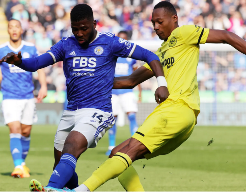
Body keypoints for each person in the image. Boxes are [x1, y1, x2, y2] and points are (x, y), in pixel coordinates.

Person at [57, 1, 246, 192]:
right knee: (117, 154)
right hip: (179, 118)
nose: (156, 27)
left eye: (160, 22)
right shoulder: (161, 53)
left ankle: (80, 190)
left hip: (177, 109)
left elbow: (225, 36)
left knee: (127, 152)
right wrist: (90, 77)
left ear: (174, 19)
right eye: (153, 23)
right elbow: (130, 80)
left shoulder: (184, 33)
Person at [0, 4, 168, 192]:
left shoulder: (110, 42)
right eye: (75, 29)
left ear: (94, 24)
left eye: (84, 28)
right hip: (71, 111)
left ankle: (50, 188)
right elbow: (37, 63)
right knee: (61, 164)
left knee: (71, 146)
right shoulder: (65, 44)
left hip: (97, 110)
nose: (79, 33)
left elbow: (149, 55)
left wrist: (162, 83)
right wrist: (19, 62)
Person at [0, 19, 47, 178]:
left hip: (28, 96)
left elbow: (40, 68)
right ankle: (18, 166)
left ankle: (22, 164)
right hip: (9, 96)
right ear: (8, 30)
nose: (14, 30)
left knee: (26, 131)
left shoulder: (30, 48)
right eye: (11, 27)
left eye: (17, 27)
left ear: (21, 30)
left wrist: (43, 86)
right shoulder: (1, 50)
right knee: (15, 129)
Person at [106, 30, 142, 156]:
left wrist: (139, 91)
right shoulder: (111, 55)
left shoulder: (131, 57)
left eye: (124, 39)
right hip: (113, 92)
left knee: (131, 116)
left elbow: (138, 75)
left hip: (127, 91)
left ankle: (135, 144)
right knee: (112, 119)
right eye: (119, 39)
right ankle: (111, 146)